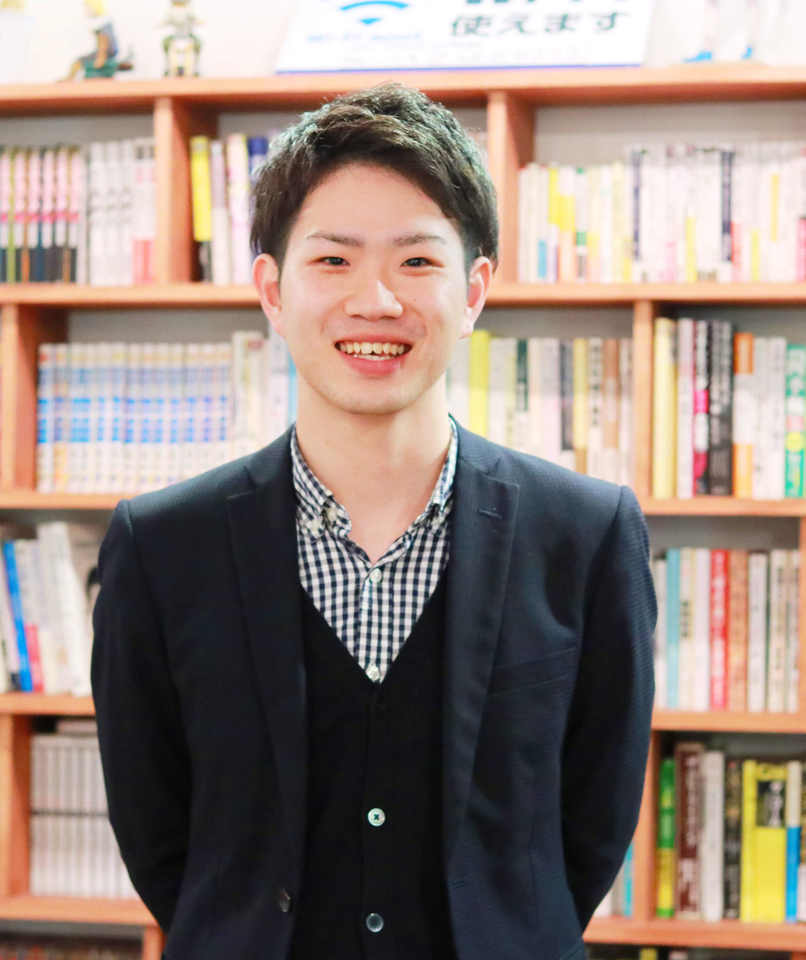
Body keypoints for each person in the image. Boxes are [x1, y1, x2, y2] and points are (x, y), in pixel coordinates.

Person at [91, 81, 655, 960]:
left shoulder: (584, 536)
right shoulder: (161, 547)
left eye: (417, 262)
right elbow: (160, 837)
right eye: (334, 260)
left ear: (474, 292)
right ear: (273, 291)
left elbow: (591, 822)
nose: (377, 300)